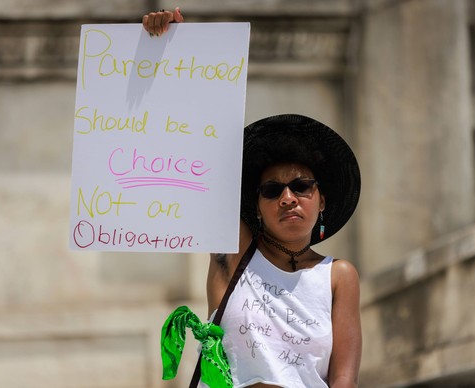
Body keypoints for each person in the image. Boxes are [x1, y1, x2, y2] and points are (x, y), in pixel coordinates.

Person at [144, 10, 362, 388]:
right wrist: (175, 51)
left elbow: (344, 380)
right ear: (256, 205)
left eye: (302, 186)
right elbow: (201, 151)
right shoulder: (234, 256)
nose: (288, 198)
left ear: (322, 199)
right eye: (272, 190)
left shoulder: (339, 277)